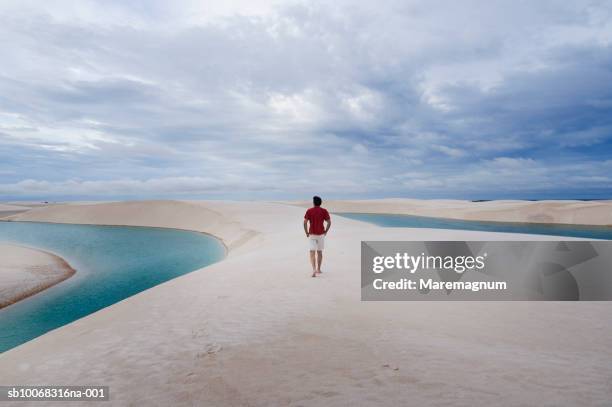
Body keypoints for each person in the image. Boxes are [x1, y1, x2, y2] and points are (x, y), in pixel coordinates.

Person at [303, 196, 331, 277]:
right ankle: (319, 269)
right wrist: (326, 231)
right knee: (319, 252)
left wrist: (306, 232)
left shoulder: (309, 211)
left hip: (312, 234)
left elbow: (305, 222)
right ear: (320, 202)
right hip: (321, 234)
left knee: (312, 252)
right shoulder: (324, 211)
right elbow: (329, 222)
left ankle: (314, 269)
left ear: (313, 203)